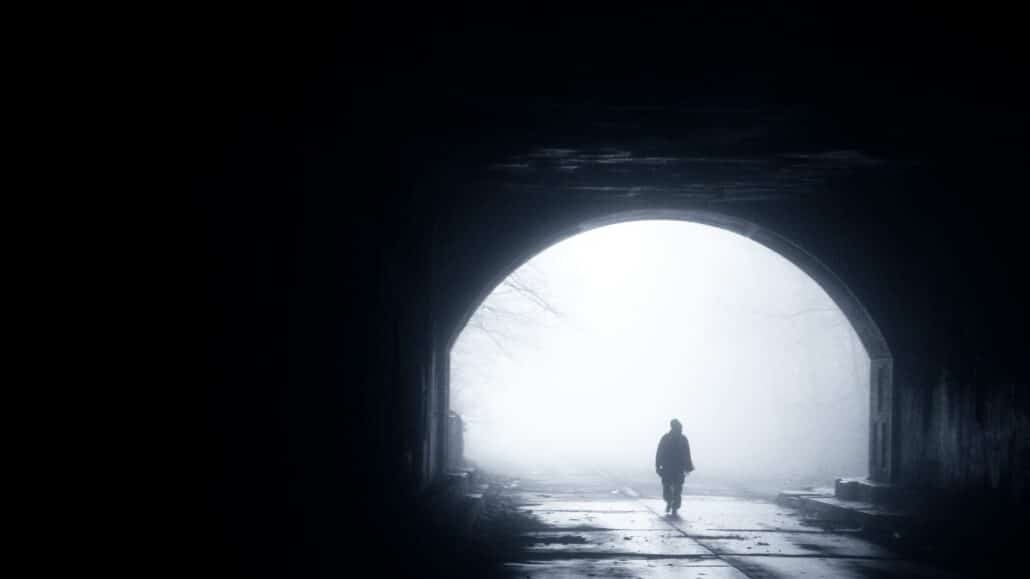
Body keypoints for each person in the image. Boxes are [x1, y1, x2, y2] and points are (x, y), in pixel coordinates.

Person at [655, 418, 694, 516]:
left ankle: (672, 504)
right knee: (674, 488)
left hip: (670, 468)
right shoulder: (680, 439)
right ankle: (673, 504)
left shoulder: (667, 438)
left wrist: (658, 465)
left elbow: (659, 452)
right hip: (674, 468)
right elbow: (687, 453)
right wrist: (688, 466)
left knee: (672, 487)